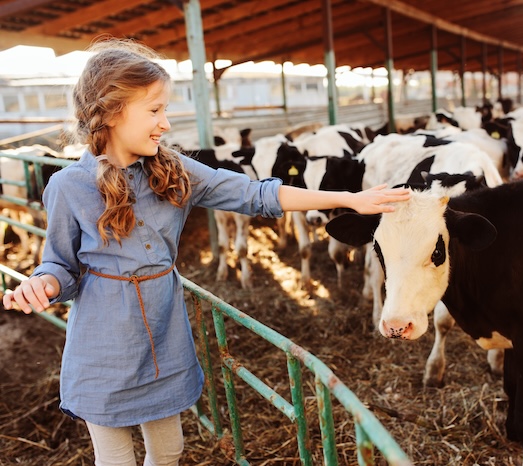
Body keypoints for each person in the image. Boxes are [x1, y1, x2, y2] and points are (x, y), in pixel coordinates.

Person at [2, 38, 409, 466]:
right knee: (116, 460)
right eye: (154, 110)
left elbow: (254, 193)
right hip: (103, 345)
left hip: (163, 334)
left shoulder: (172, 169)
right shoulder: (69, 187)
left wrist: (347, 198)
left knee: (169, 450)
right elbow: (60, 265)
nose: (165, 124)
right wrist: (42, 283)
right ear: (111, 111)